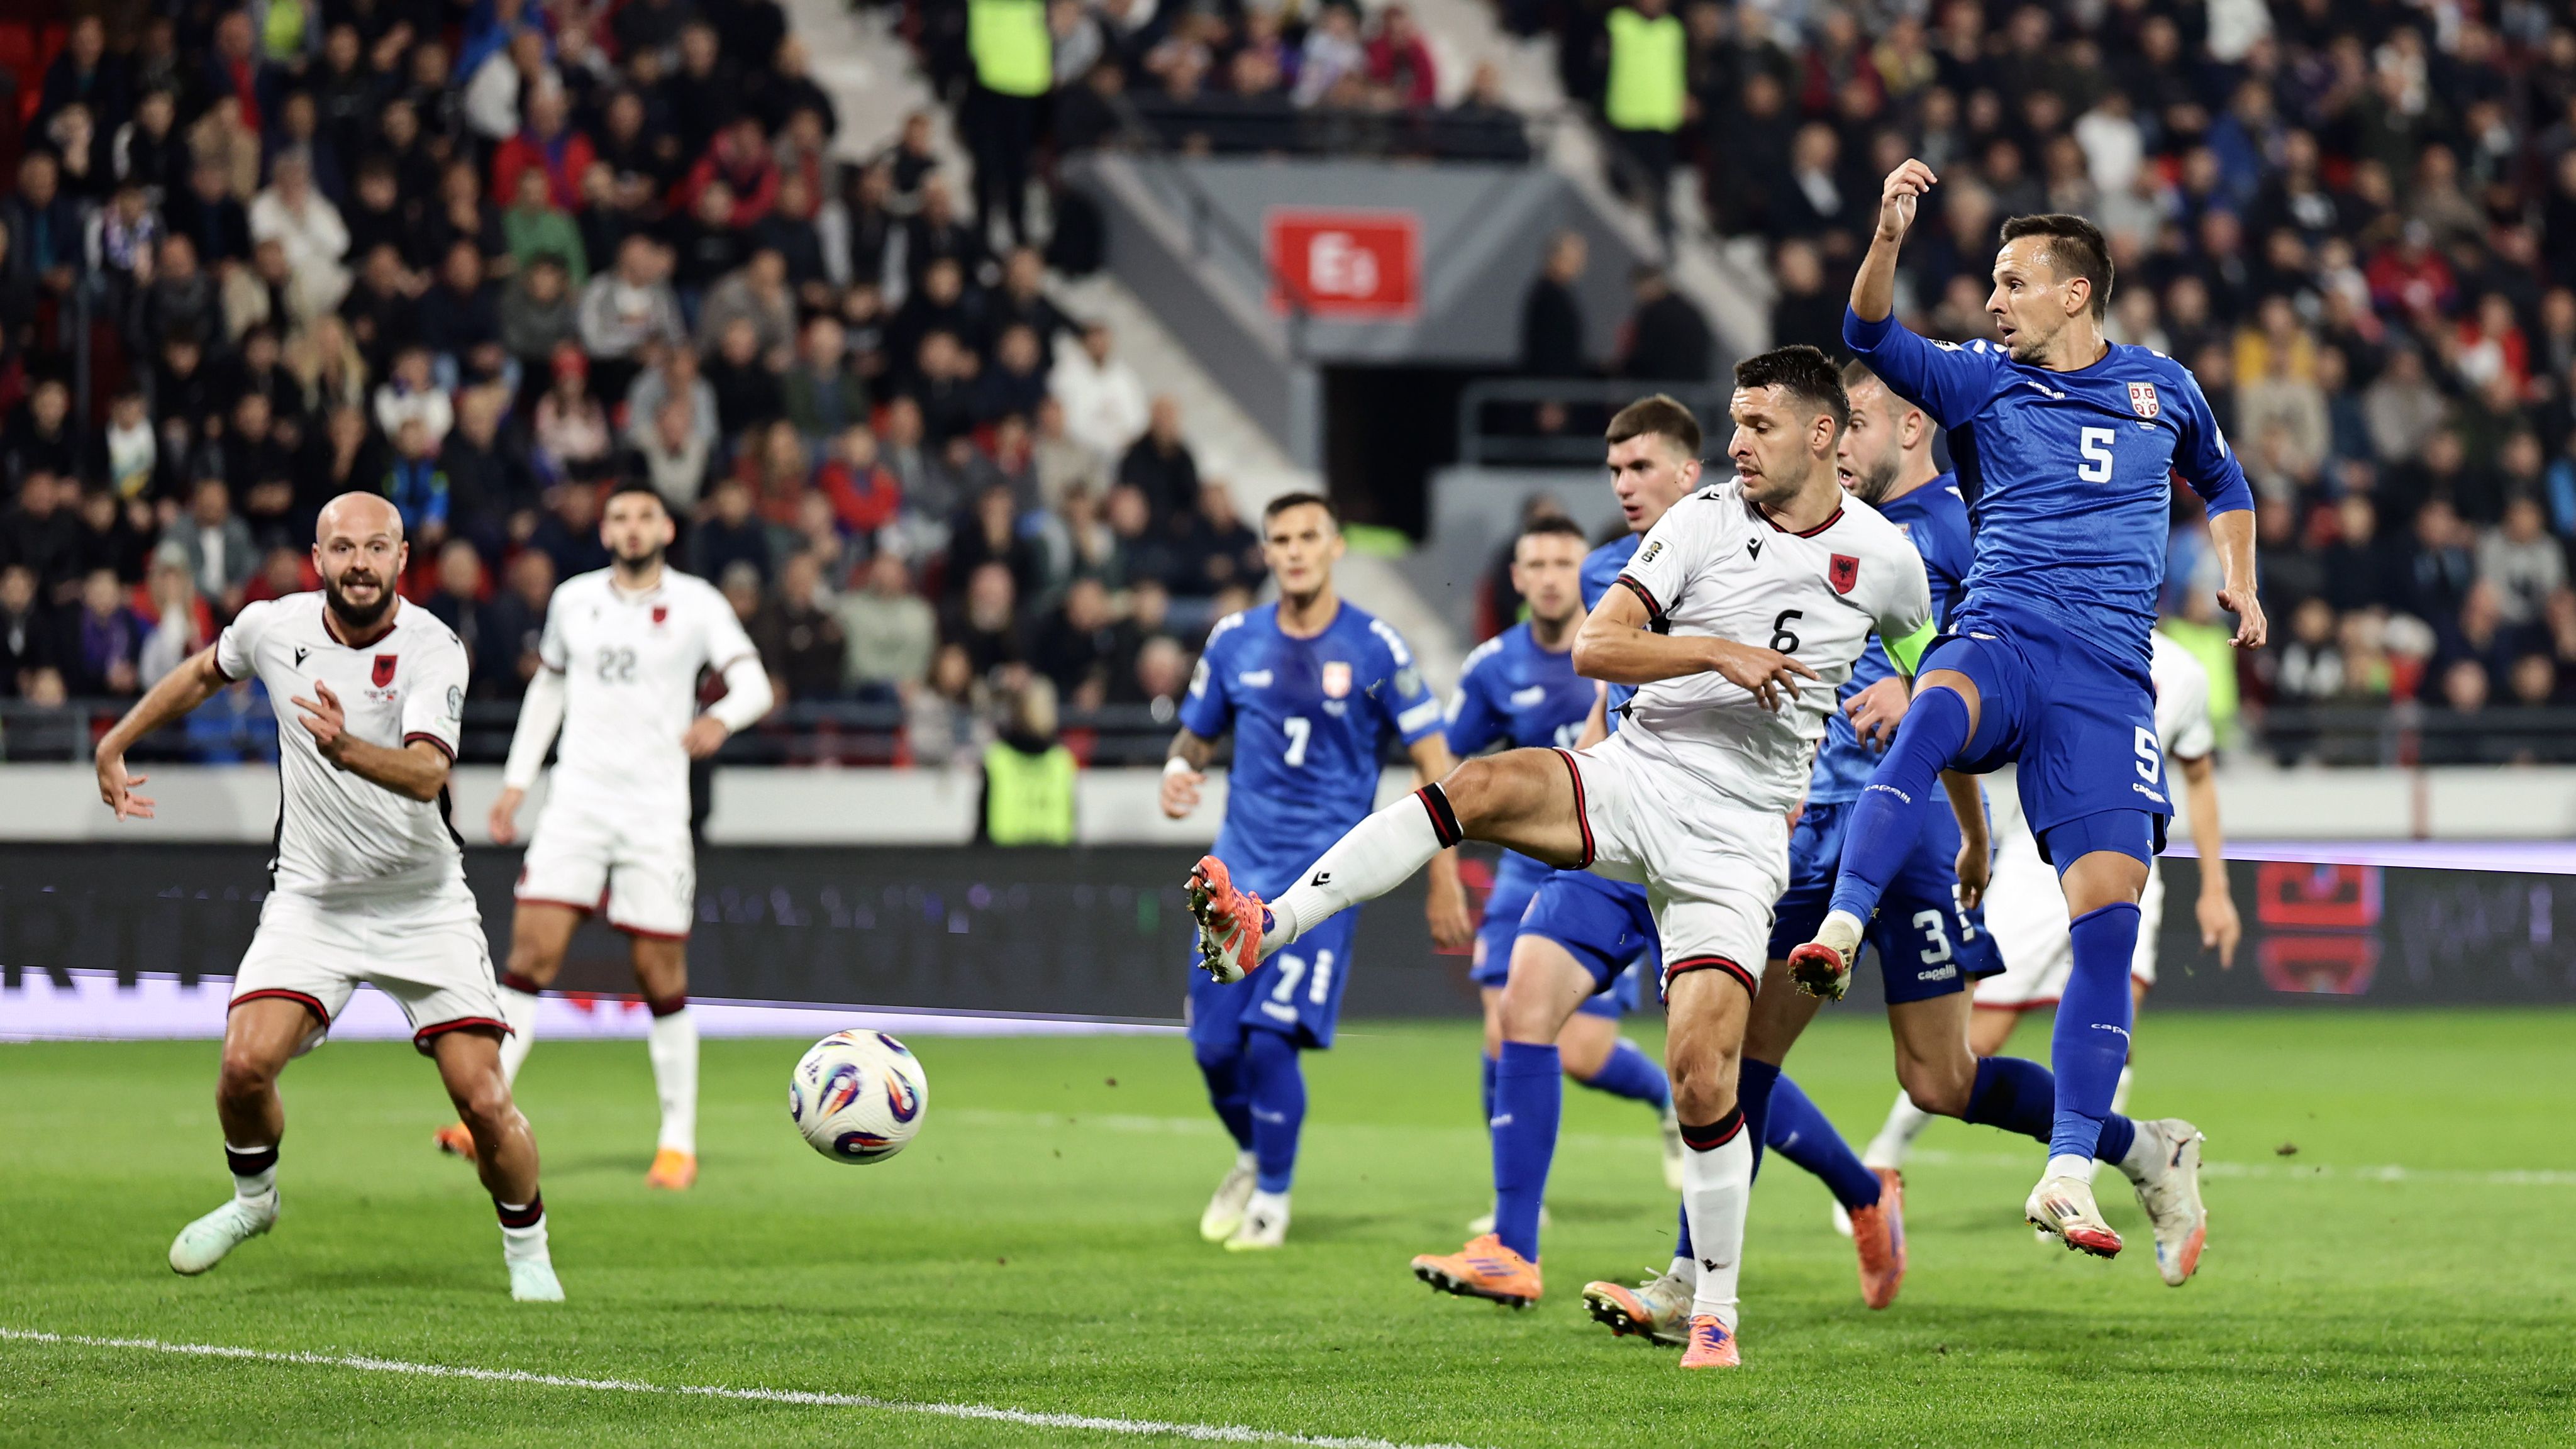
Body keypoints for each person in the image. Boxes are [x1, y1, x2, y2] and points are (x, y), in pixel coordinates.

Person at [1190, 353, 1933, 1368]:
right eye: (1732, 422)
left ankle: (1715, 1307)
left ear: (1820, 431)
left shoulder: (1886, 557)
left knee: (1704, 1073)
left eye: (1758, 423)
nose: (1738, 442)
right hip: (1634, 774)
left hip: (1739, 838)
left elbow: (1931, 656)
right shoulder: (1701, 519)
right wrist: (1717, 650)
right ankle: (1268, 923)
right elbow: (1597, 643)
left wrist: (1926, 731)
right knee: (1484, 794)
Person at [1794, 161, 2261, 1280]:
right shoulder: (1974, 378)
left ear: (2074, 294)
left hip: (2106, 680)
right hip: (2003, 637)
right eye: (1990, 281)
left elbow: (2227, 482)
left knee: (2106, 912)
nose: (1993, 299)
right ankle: (1843, 928)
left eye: (2012, 282)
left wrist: (2241, 580)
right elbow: (1865, 326)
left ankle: (2073, 1165)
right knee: (1929, 714)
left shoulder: (2164, 387)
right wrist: (1886, 232)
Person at [92, 492, 563, 1302]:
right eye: (343, 549)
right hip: (312, 900)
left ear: (402, 559)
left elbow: (428, 774)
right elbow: (207, 670)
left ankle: (529, 1255)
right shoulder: (274, 628)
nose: (359, 564)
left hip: (423, 903)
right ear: (318, 560)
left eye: (376, 548)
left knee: (484, 1099)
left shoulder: (433, 647)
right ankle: (254, 1202)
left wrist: (343, 746)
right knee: (242, 1067)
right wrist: (116, 739)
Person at [1159, 493, 1468, 1251]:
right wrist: (1177, 769)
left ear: (1334, 547)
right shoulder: (1234, 641)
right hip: (1231, 879)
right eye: (1279, 540)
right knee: (1212, 1050)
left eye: (1308, 537)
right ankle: (1249, 1155)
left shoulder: (1376, 649)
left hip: (1324, 883)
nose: (1293, 551)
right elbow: (1196, 738)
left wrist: (1443, 875)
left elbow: (1434, 762)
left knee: (1272, 1042)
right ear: (1265, 552)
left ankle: (1272, 1196)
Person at [447, 482, 775, 1190]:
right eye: (620, 518)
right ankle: (487, 1118)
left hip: (656, 812)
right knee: (529, 957)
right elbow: (550, 690)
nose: (632, 529)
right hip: (577, 804)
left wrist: (722, 718)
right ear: (605, 533)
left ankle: (677, 1143)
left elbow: (756, 686)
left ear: (665, 528)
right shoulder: (573, 600)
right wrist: (516, 781)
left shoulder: (697, 604)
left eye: (644, 517)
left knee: (661, 976)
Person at [1865, 633, 2240, 1162]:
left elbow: (2198, 777)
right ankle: (1884, 1156)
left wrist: (2216, 889)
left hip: (2130, 863)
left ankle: (2079, 1177)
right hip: (2039, 861)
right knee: (1974, 1042)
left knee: (2115, 1031)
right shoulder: (2056, 636)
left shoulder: (2186, 673)